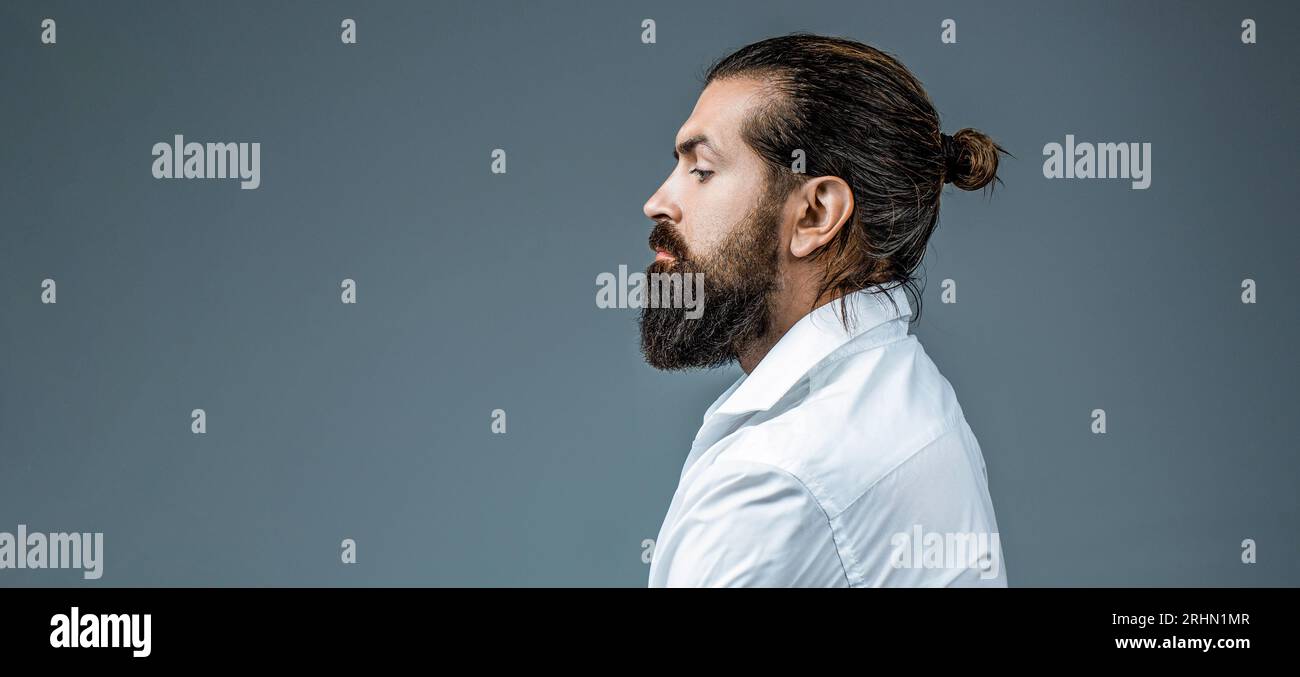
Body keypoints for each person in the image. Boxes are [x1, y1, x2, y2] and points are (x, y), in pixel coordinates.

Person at [640, 33, 1008, 587]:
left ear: (814, 214)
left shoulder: (773, 482)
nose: (658, 202)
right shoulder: (907, 388)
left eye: (702, 169)